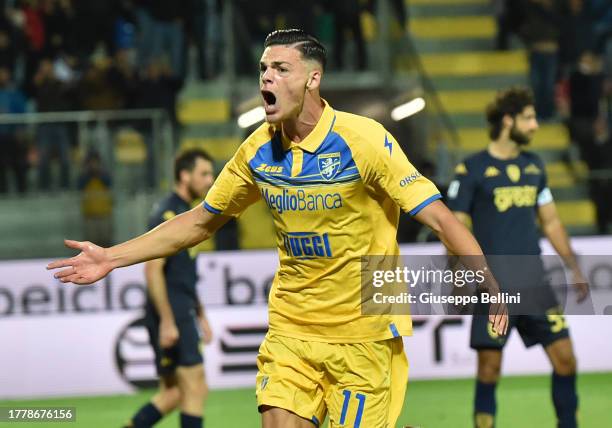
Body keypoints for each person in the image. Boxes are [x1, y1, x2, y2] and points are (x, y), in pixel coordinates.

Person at [48, 29, 508, 428]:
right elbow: (200, 221)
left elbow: (442, 219)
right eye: (263, 68)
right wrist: (112, 256)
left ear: (313, 78)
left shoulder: (363, 140)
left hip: (365, 335)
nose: (266, 77)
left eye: (281, 68)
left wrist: (490, 286)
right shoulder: (257, 151)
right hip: (291, 332)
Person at [445, 87, 589, 428]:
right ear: (508, 121)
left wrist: (573, 266)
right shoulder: (472, 170)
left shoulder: (534, 166)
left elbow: (551, 221)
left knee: (566, 360)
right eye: (529, 118)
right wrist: (460, 277)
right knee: (489, 369)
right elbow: (455, 229)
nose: (536, 125)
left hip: (536, 285)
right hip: (494, 288)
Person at [124, 149, 215, 428]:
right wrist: (167, 320)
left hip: (179, 308)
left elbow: (181, 275)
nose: (211, 180)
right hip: (171, 311)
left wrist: (200, 313)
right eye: (204, 174)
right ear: (184, 176)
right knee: (196, 387)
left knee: (174, 393)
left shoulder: (186, 213)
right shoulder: (169, 214)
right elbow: (153, 270)